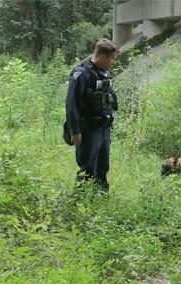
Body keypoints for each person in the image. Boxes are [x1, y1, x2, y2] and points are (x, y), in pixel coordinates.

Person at [65, 38, 119, 191]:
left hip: (104, 129)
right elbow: (71, 104)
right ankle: (79, 201)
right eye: (112, 58)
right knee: (87, 168)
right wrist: (75, 131)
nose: (113, 62)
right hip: (88, 130)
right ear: (103, 57)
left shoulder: (103, 73)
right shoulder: (81, 74)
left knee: (103, 167)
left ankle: (101, 198)